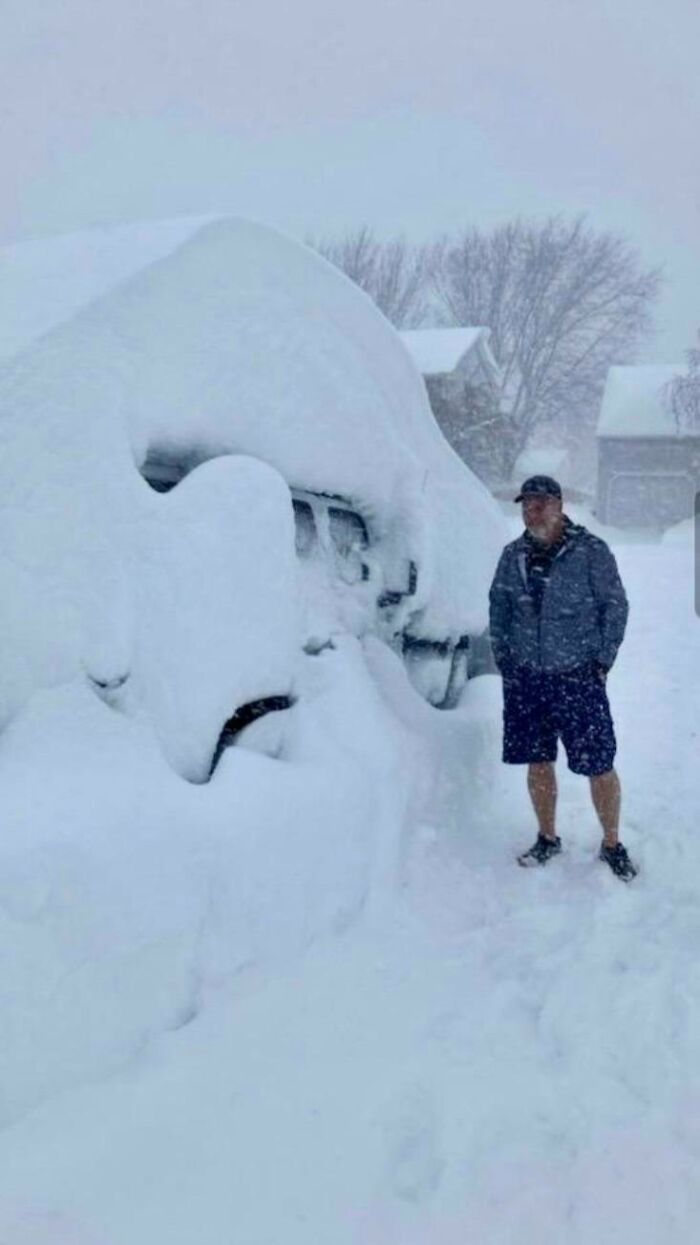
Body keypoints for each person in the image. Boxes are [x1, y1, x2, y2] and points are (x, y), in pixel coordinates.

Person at [488, 475, 637, 881]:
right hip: (527, 680)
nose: (530, 511)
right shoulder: (512, 555)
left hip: (578, 678)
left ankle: (612, 843)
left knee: (599, 763)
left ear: (559, 505)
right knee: (537, 760)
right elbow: (498, 607)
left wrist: (601, 662)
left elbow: (615, 607)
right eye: (525, 505)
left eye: (539, 504)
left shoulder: (590, 552)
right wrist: (506, 658)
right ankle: (548, 837)